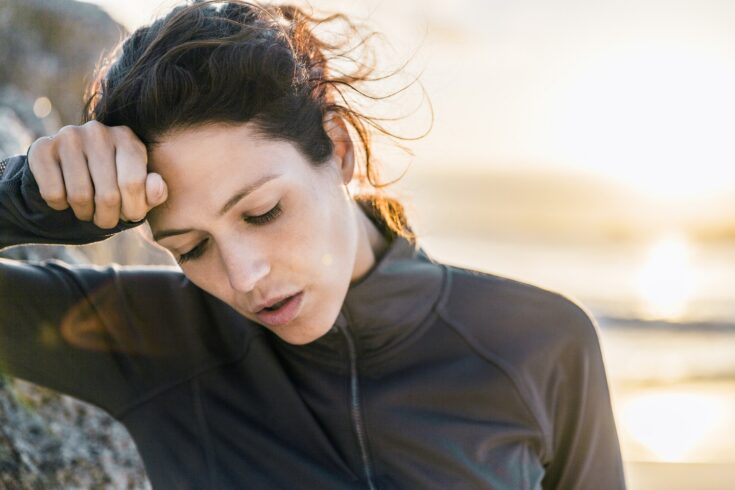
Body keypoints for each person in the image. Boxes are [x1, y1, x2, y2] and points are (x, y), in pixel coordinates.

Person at [0, 1, 627, 488]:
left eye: (263, 211)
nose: (243, 277)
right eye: (190, 248)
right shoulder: (148, 337)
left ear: (341, 146)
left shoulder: (542, 345)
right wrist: (28, 202)